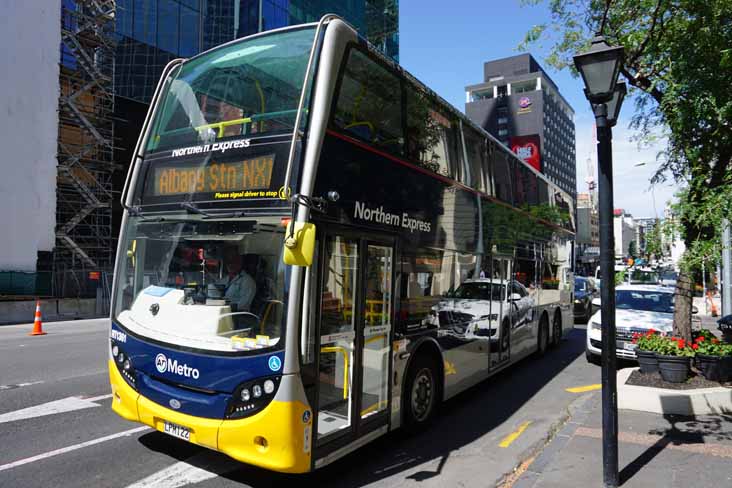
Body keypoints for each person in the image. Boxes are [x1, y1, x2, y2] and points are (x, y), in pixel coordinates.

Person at [218, 247, 256, 313]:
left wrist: (224, 307)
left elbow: (244, 304)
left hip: (238, 315)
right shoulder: (223, 280)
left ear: (240, 262)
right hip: (222, 312)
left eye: (234, 261)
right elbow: (213, 292)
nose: (230, 264)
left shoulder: (247, 281)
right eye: (229, 261)